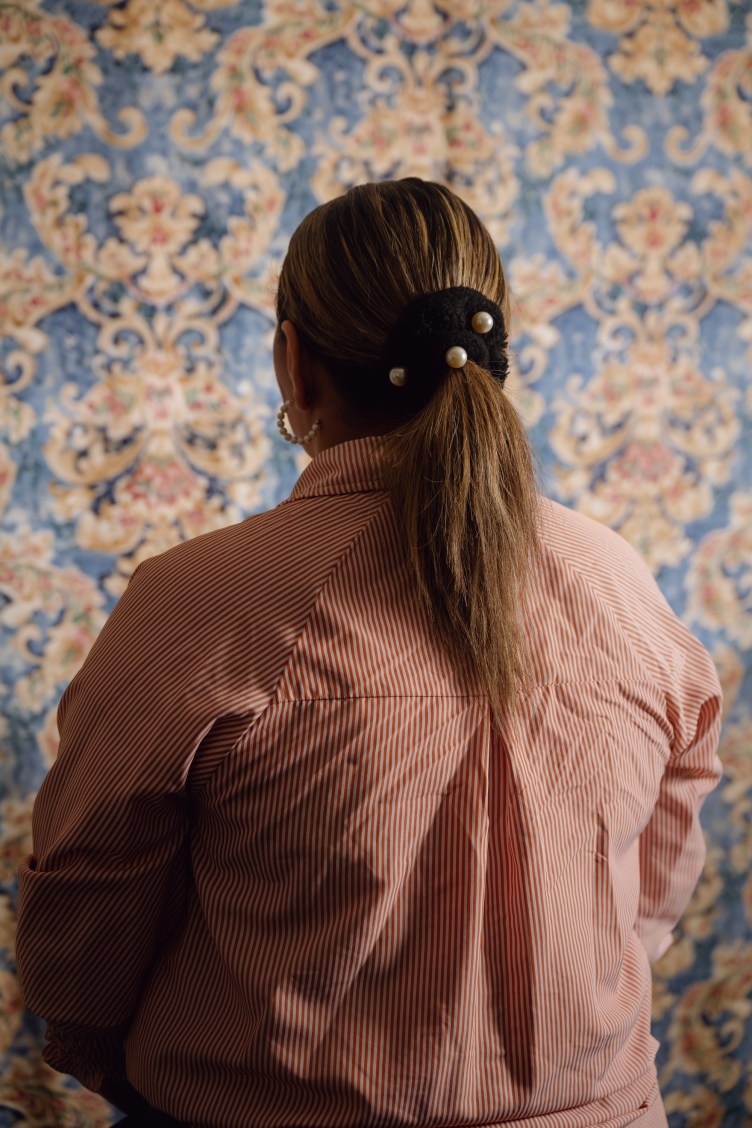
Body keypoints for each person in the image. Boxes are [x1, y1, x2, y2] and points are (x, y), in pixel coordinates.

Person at [16, 179, 722, 1128]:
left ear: (292, 362)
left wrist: (95, 1049)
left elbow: (90, 897)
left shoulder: (200, 598)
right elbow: (666, 841)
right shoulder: (620, 581)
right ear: (493, 350)